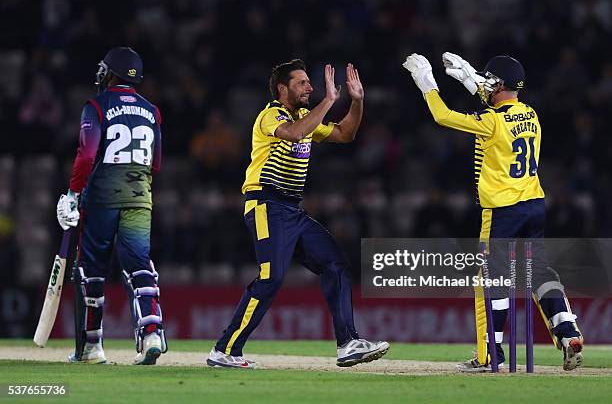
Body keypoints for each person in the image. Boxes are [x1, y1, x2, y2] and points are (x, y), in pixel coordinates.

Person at [402, 52, 583, 371]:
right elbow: (497, 98)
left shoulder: (491, 121)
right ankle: (568, 334)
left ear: (497, 83)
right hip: (535, 205)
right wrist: (470, 77)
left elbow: (444, 116)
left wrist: (426, 82)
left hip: (502, 211)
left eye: (488, 79)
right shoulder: (531, 113)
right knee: (539, 273)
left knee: (489, 280)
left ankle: (490, 355)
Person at [207, 59, 389, 368]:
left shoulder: (306, 116)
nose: (310, 87)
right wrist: (330, 101)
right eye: (302, 83)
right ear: (283, 88)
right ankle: (224, 351)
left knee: (335, 263)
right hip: (266, 205)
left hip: (292, 209)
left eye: (309, 82)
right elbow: (292, 134)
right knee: (271, 278)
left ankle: (348, 343)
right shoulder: (269, 116)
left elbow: (346, 133)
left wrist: (356, 102)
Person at [56, 46, 167, 365]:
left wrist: (73, 193)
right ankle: (152, 333)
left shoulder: (96, 106)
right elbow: (155, 163)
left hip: (102, 196)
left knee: (92, 271)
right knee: (139, 265)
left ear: (112, 73)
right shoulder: (152, 110)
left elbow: (87, 154)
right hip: (139, 197)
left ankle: (92, 347)